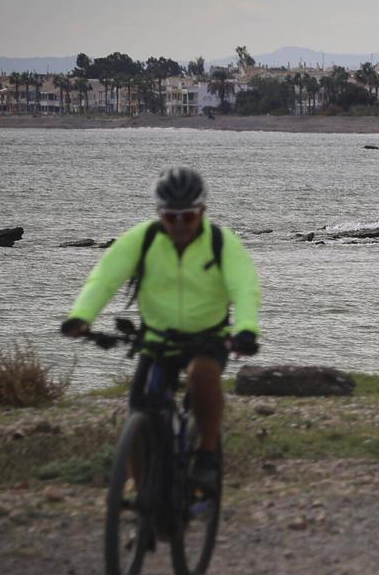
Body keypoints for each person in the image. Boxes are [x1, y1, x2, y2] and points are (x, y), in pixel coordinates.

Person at [61, 167, 261, 490]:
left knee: (201, 376)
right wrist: (81, 315)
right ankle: (143, 496)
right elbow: (105, 277)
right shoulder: (143, 239)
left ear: (202, 211)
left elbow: (244, 287)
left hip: (208, 338)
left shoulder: (223, 243)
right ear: (159, 214)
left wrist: (246, 329)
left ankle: (207, 454)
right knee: (139, 415)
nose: (180, 225)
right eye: (171, 217)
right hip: (157, 340)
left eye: (188, 216)